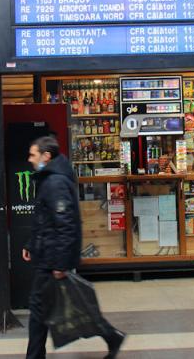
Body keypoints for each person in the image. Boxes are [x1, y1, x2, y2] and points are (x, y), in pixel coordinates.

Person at [23, 136, 125, 359]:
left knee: (39, 312)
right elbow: (45, 219)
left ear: (46, 156)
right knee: (57, 309)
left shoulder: (55, 182)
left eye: (33, 154)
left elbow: (66, 224)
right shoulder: (50, 178)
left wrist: (60, 263)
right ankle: (111, 336)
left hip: (51, 260)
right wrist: (31, 244)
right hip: (48, 254)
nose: (30, 159)